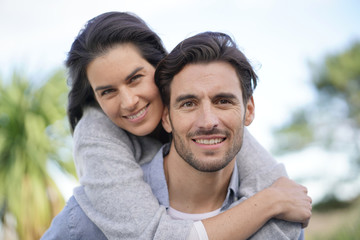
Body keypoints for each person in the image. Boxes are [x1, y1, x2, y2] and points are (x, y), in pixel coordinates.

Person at [42, 12, 311, 239]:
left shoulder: (209, 110)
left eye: (135, 78)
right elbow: (148, 235)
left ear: (161, 68)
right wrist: (268, 203)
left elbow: (274, 184)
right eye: (107, 92)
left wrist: (277, 201)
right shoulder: (96, 133)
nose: (128, 102)